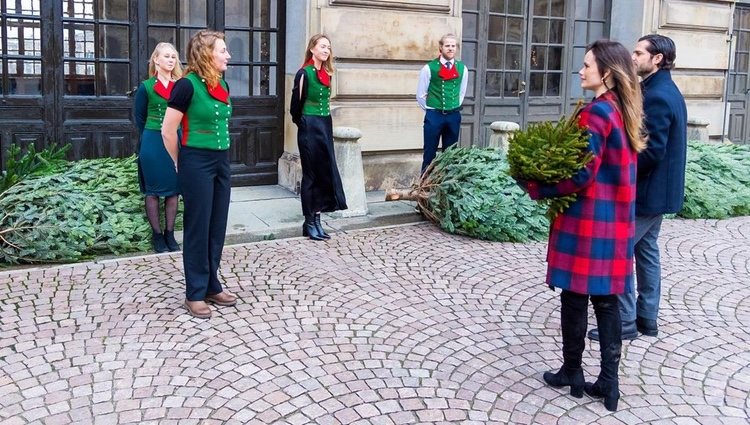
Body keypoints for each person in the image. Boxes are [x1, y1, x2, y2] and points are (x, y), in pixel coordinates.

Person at [517, 40, 645, 412]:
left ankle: (572, 370)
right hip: (614, 220)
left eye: (587, 65)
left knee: (574, 296)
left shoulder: (596, 113)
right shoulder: (623, 109)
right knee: (605, 302)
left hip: (586, 220)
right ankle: (609, 382)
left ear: (606, 72)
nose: (581, 70)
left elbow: (581, 173)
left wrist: (538, 187)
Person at [588, 35, 687, 341]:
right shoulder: (663, 88)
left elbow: (652, 150)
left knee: (621, 250)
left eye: (639, 52)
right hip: (659, 193)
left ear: (658, 58)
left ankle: (627, 320)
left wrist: (622, 172)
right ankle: (647, 317)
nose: (632, 57)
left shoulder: (658, 94)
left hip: (646, 193)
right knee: (647, 252)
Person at [161, 30, 237, 319]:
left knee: (216, 226)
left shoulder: (222, 84)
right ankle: (194, 293)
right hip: (195, 161)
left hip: (221, 161)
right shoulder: (186, 86)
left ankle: (211, 284)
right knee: (197, 228)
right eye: (223, 51)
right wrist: (180, 163)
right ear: (207, 54)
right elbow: (168, 130)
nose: (228, 56)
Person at [290, 34, 347, 241]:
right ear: (312, 48)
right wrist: (304, 123)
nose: (326, 51)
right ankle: (308, 221)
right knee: (311, 176)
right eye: (322, 47)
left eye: (328, 48)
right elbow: (295, 106)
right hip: (309, 125)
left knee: (324, 174)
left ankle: (317, 221)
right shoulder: (304, 73)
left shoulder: (327, 74)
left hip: (325, 124)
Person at [134, 42, 183, 253]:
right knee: (153, 191)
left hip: (175, 139)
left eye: (173, 56)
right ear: (156, 60)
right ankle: (157, 236)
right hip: (153, 140)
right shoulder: (146, 87)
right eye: (166, 56)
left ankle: (170, 234)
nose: (171, 60)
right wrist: (151, 133)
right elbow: (139, 117)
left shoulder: (181, 85)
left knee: (173, 190)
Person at [416, 33, 468, 175]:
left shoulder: (463, 68)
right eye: (447, 46)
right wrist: (431, 109)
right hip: (434, 116)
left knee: (450, 154)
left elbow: (461, 92)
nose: (450, 49)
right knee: (429, 153)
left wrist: (453, 106)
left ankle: (446, 185)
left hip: (453, 116)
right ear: (441, 47)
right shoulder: (429, 68)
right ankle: (424, 185)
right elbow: (420, 95)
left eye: (453, 46)